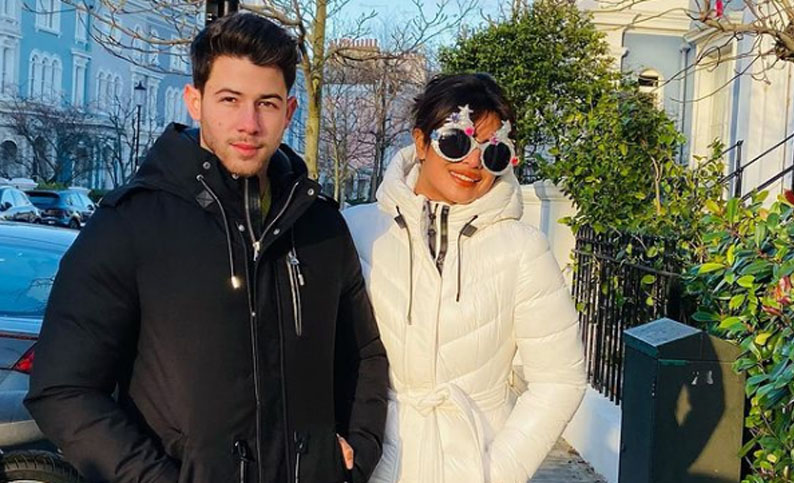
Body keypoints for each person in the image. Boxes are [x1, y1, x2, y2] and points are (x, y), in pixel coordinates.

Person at [25, 13, 388, 483]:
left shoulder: (320, 225)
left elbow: (363, 355)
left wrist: (356, 454)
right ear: (195, 101)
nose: (249, 123)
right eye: (229, 100)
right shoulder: (131, 223)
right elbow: (63, 388)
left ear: (290, 111)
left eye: (267, 103)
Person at [343, 73, 586, 483]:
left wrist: (496, 472)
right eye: (456, 142)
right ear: (421, 143)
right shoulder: (357, 232)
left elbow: (559, 379)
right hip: (370, 464)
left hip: (473, 461)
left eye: (494, 153)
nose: (474, 162)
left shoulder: (523, 249)